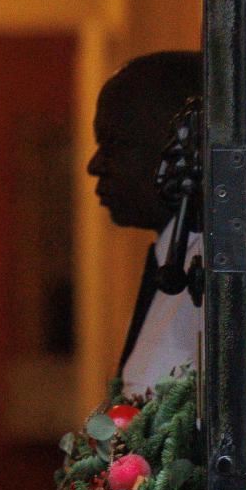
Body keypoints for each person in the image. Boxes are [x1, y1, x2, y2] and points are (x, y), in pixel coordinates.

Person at [86, 51, 203, 396]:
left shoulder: (213, 274)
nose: (95, 165)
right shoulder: (173, 262)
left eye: (115, 144)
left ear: (185, 148)